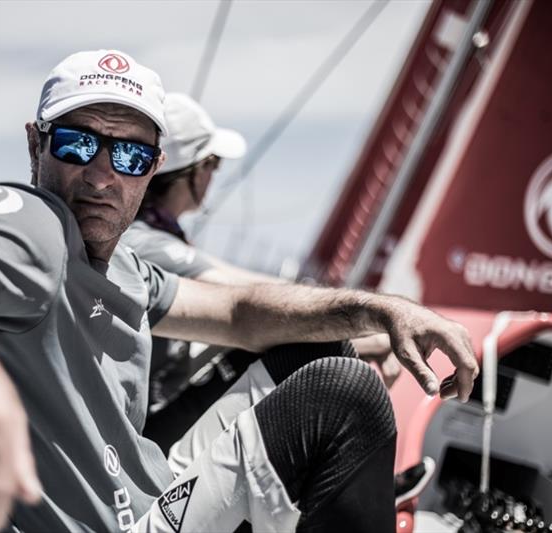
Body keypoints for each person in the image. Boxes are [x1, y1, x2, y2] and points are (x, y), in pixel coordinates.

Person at [0, 49, 478, 533]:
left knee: (310, 347)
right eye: (79, 143)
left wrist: (382, 307)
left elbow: (239, 312)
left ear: (152, 169)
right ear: (35, 145)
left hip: (145, 492)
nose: (104, 176)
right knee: (346, 399)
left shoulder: (122, 263)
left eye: (129, 156)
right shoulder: (33, 225)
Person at [122, 93, 400, 450]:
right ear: (191, 171)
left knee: (280, 333)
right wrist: (370, 330)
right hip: (145, 433)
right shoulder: (149, 244)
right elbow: (254, 294)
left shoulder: (151, 236)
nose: (214, 175)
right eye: (213, 164)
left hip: (152, 413)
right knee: (284, 335)